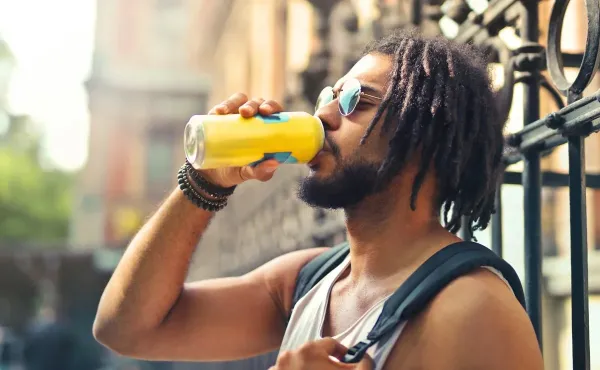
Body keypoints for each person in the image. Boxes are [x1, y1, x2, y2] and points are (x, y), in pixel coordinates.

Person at [93, 29, 543, 370]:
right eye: (328, 95)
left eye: (353, 100)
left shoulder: (471, 308)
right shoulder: (306, 282)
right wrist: (204, 182)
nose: (323, 113)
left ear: (425, 133)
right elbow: (127, 327)